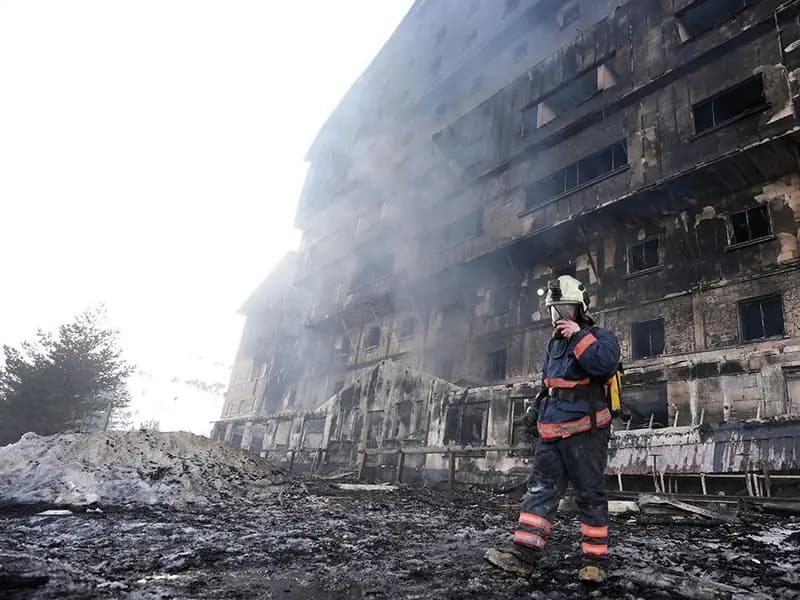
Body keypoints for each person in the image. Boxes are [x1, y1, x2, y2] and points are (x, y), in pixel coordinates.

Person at [486, 274, 620, 584]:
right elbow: (549, 384)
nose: (558, 316)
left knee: (590, 495)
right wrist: (534, 410)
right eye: (554, 310)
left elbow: (603, 366)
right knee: (539, 493)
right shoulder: (553, 345)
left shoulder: (601, 336)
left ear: (580, 308)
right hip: (551, 432)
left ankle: (594, 563)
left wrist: (578, 336)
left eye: (564, 309)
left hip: (586, 432)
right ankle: (524, 557)